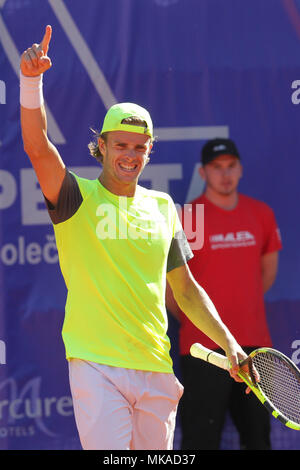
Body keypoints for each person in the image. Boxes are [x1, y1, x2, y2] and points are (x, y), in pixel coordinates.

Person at [20, 25, 249, 451]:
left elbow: (185, 289)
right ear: (102, 146)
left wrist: (229, 342)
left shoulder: (163, 207)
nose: (130, 154)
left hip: (156, 367)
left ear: (149, 151)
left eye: (139, 147)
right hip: (97, 364)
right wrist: (31, 81)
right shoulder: (75, 196)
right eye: (120, 144)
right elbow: (37, 147)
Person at [166, 137, 282, 450]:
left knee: (258, 439)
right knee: (200, 440)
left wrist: (241, 304)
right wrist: (205, 322)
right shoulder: (187, 217)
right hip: (203, 348)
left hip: (256, 348)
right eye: (217, 168)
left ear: (240, 169)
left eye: (231, 166)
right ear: (203, 173)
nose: (225, 174)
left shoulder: (261, 214)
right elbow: (172, 290)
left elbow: (266, 275)